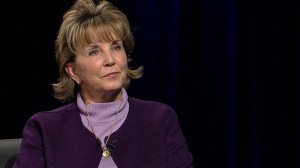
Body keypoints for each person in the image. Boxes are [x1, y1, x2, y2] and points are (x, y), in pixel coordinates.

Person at [13, 0, 194, 167]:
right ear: (73, 71)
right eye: (94, 52)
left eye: (116, 47)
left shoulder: (160, 120)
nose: (110, 60)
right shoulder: (45, 129)